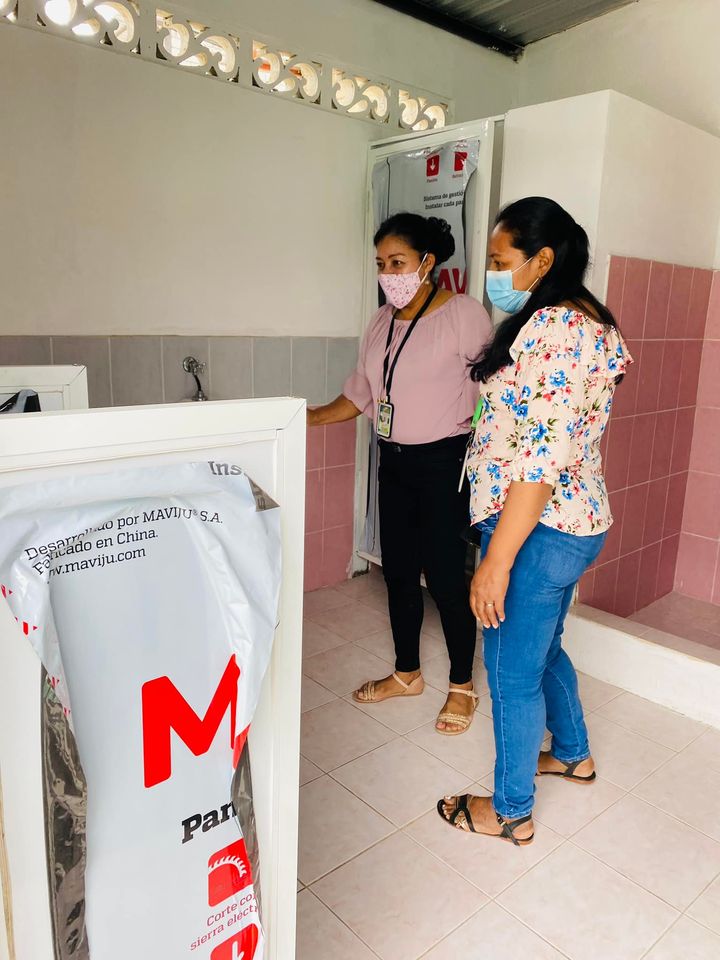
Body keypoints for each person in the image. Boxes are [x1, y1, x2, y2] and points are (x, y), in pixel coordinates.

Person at [438, 197, 632, 842]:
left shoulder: (554, 329)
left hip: (536, 529)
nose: (493, 273)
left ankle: (510, 811)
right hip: (574, 522)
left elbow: (539, 461)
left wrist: (495, 563)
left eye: (501, 261)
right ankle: (573, 756)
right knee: (543, 650)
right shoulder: (587, 320)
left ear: (541, 260)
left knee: (511, 673)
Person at [307, 212, 493, 734]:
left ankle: (462, 686)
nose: (388, 274)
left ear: (427, 263)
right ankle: (407, 673)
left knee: (446, 578)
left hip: (444, 462)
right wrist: (309, 418)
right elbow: (360, 394)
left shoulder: (463, 314)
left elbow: (494, 391)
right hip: (393, 461)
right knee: (399, 572)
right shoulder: (379, 322)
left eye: (397, 262)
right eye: (381, 264)